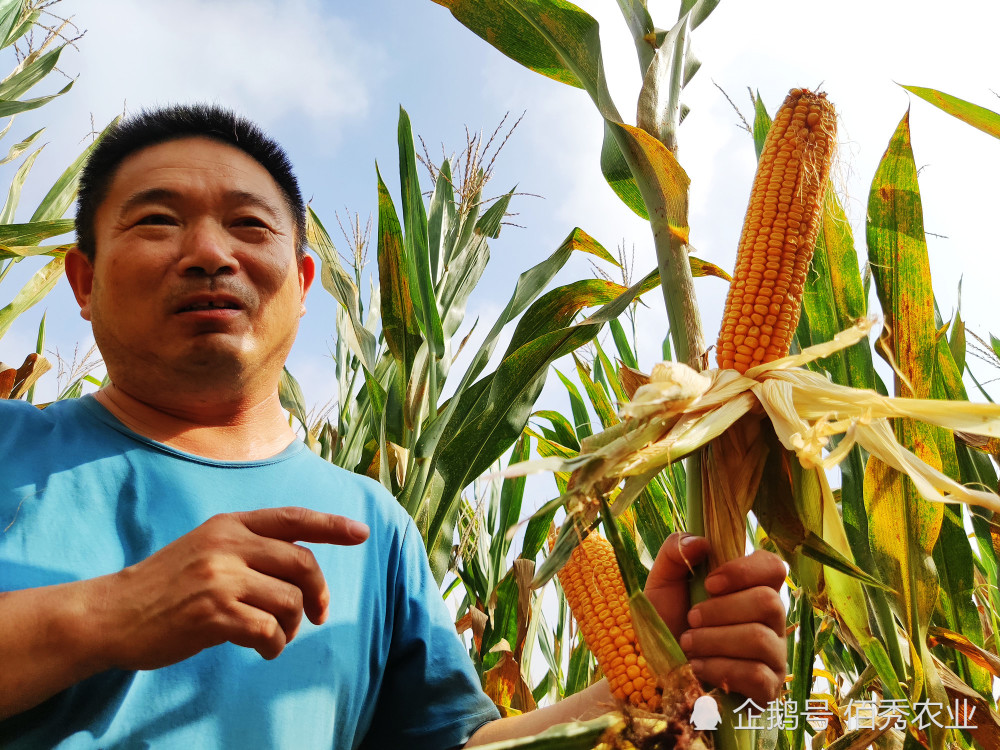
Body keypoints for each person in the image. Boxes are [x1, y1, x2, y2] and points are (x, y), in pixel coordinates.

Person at [0, 105, 787, 748]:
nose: (210, 253)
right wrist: (116, 611)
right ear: (83, 279)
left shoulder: (372, 525)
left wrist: (649, 672)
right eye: (158, 222)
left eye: (249, 226)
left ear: (304, 284)